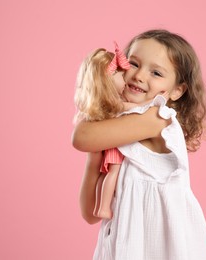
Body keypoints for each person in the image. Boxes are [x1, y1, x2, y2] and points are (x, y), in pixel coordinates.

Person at [73, 29, 206, 259]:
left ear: (177, 90)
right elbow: (90, 214)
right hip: (124, 245)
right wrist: (95, 158)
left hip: (162, 249)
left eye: (156, 73)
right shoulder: (116, 130)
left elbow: (81, 137)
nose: (139, 76)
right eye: (133, 63)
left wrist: (97, 114)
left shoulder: (158, 119)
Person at [74, 43, 149, 219]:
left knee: (107, 174)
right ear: (110, 79)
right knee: (113, 172)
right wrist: (159, 101)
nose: (129, 79)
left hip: (110, 142)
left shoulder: (105, 105)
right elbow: (139, 107)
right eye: (122, 75)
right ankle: (103, 207)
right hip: (115, 146)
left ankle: (102, 205)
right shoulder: (116, 105)